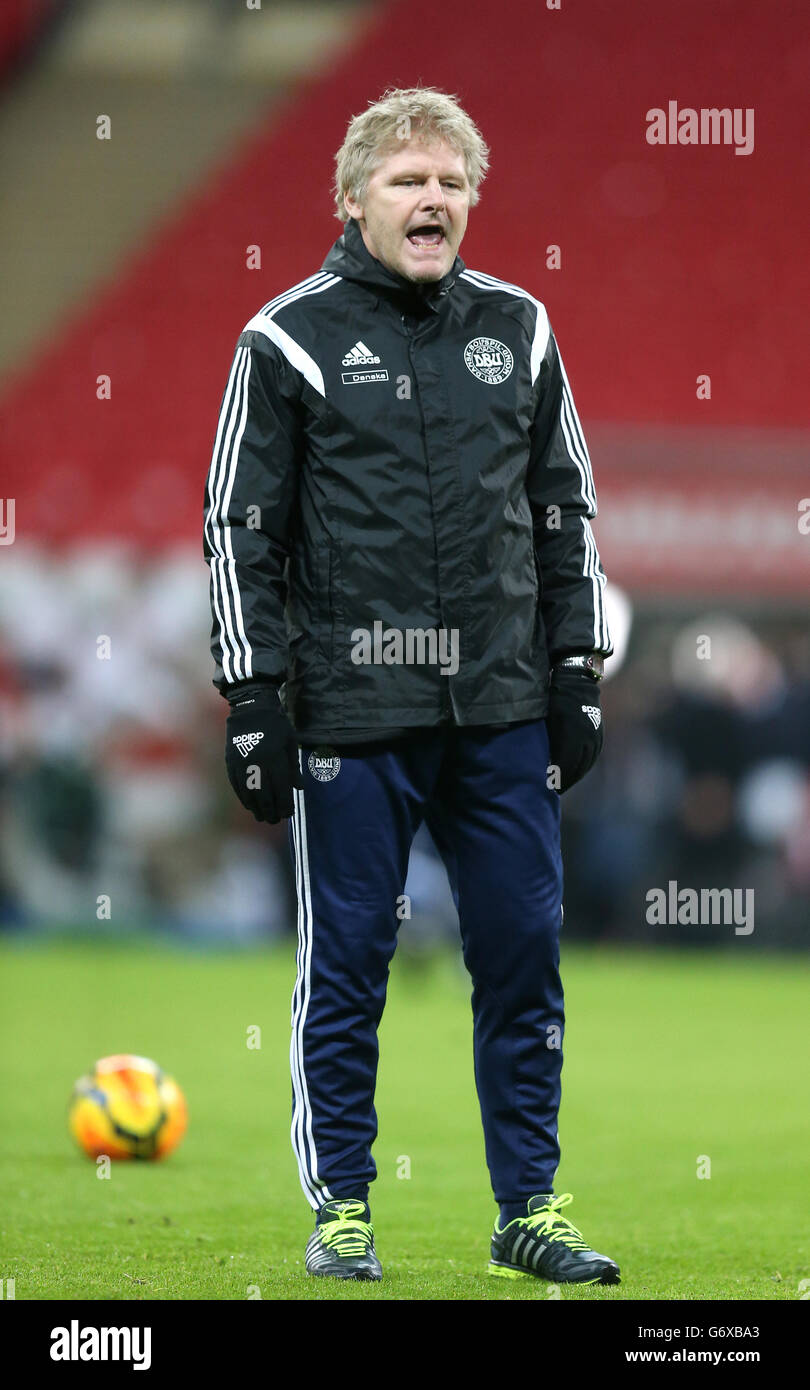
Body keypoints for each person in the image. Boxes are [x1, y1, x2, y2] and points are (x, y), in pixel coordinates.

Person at [204, 86, 619, 1286]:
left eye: (449, 182)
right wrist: (254, 693)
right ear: (353, 201)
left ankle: (527, 1211)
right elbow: (240, 526)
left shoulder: (523, 328)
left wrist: (577, 671)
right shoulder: (284, 339)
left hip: (499, 708)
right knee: (346, 966)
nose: (431, 198)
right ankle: (343, 1210)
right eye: (406, 181)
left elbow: (565, 510)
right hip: (353, 711)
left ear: (471, 201)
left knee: (522, 955)